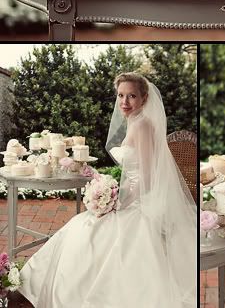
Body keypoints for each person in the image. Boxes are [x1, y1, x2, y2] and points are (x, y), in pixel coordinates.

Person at [19, 72, 197, 308]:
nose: (125, 102)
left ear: (144, 98)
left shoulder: (142, 125)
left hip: (138, 203)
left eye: (132, 96)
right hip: (130, 197)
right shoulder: (135, 120)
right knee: (81, 228)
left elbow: (146, 177)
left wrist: (119, 202)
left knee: (88, 233)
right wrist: (112, 192)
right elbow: (132, 175)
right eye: (121, 95)